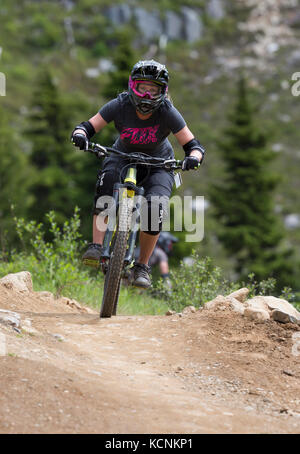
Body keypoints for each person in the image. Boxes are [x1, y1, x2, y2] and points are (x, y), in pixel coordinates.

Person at [71, 59, 205, 289]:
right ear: (133, 86)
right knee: (106, 186)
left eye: (154, 90)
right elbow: (88, 126)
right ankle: (95, 246)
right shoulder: (120, 104)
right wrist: (81, 134)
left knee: (155, 208)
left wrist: (193, 158)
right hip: (121, 155)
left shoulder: (167, 111)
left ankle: (142, 267)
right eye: (143, 88)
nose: (147, 96)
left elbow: (193, 145)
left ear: (163, 92)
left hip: (159, 164)